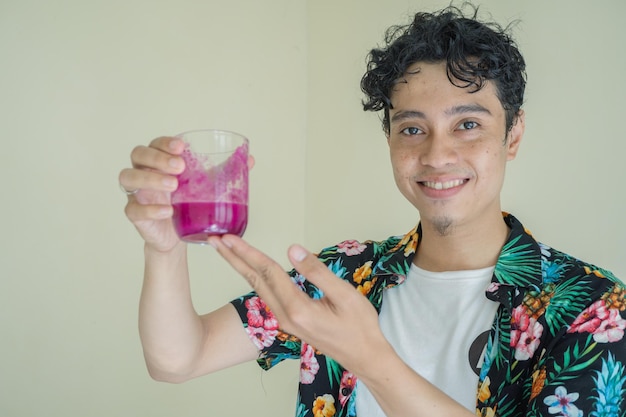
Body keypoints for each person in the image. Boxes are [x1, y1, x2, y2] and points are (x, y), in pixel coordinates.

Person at [119, 5, 626, 417]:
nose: (435, 155)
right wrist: (162, 247)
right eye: (411, 128)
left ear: (512, 135)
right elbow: (177, 359)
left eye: (467, 124)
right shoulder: (343, 274)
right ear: (389, 139)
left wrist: (372, 360)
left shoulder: (593, 309)